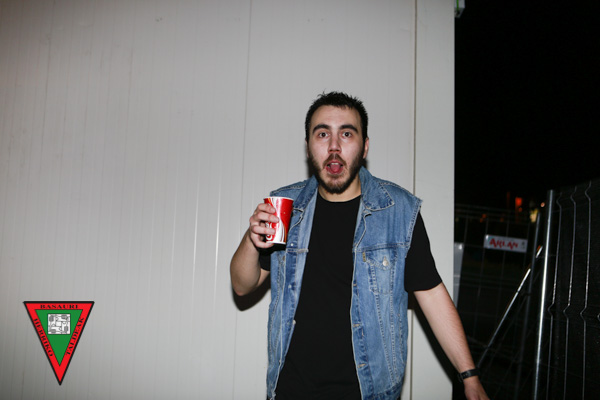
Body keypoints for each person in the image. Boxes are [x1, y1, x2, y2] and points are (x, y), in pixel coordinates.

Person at [230, 92, 488, 400]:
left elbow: (432, 295)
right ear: (308, 146)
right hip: (289, 390)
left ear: (364, 146)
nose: (334, 147)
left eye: (346, 134)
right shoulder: (287, 207)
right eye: (322, 134)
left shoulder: (397, 210)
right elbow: (242, 285)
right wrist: (252, 238)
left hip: (369, 393)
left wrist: (470, 377)